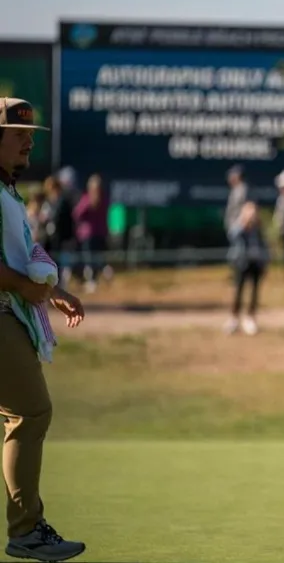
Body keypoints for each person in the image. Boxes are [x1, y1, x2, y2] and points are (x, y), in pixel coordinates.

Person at [0, 97, 87, 561]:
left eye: (30, 134)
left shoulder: (8, 190)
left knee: (27, 414)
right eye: (18, 133)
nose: (28, 140)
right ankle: (26, 530)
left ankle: (26, 528)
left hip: (9, 311)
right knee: (30, 413)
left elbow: (21, 255)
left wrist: (52, 291)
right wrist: (24, 287)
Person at [224, 201, 269, 336]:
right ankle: (234, 319)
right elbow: (232, 235)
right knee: (238, 291)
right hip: (241, 263)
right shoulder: (239, 227)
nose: (252, 216)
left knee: (254, 292)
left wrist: (265, 261)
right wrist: (243, 223)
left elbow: (264, 245)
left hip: (256, 263)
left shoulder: (259, 229)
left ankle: (250, 319)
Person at [72, 174, 110, 293]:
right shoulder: (104, 200)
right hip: (100, 233)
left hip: (88, 235)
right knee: (96, 258)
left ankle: (93, 281)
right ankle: (102, 274)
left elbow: (76, 213)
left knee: (90, 259)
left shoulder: (87, 199)